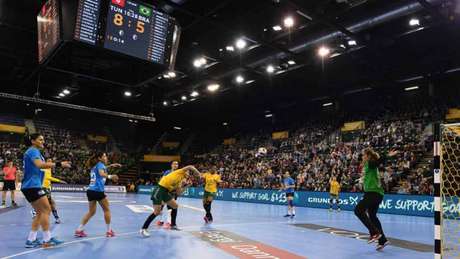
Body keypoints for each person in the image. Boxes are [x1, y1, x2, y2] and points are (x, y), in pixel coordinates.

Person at [21, 133, 71, 248]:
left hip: (31, 185)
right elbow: (39, 165)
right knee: (46, 209)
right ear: (33, 141)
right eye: (40, 139)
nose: (43, 141)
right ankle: (47, 239)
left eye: (43, 139)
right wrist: (59, 164)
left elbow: (42, 165)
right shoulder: (33, 151)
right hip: (32, 185)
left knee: (40, 213)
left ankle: (31, 240)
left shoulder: (35, 151)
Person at [354, 148, 397, 251]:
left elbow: (377, 162)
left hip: (373, 193)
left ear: (368, 156)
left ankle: (374, 233)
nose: (362, 157)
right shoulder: (368, 166)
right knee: (372, 216)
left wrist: (387, 155)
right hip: (377, 194)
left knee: (358, 210)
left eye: (364, 155)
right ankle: (383, 240)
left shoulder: (370, 163)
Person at [140, 165, 201, 237]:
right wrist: (198, 173)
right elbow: (190, 167)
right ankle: (143, 228)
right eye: (188, 172)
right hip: (159, 189)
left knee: (175, 206)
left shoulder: (180, 181)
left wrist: (186, 186)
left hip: (165, 192)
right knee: (157, 212)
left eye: (189, 173)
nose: (188, 173)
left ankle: (173, 225)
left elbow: (178, 193)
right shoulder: (179, 172)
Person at [74, 152, 121, 238]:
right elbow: (101, 173)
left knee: (91, 212)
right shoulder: (100, 165)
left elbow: (102, 169)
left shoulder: (95, 166)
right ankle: (109, 231)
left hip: (90, 191)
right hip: (98, 191)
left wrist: (111, 165)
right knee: (107, 210)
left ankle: (79, 230)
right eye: (104, 156)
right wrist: (111, 176)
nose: (106, 157)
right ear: (100, 158)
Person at [31, 158, 67, 223]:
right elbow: (48, 178)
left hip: (45, 188)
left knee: (48, 203)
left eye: (51, 161)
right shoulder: (45, 169)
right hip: (44, 188)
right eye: (49, 161)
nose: (50, 162)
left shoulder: (48, 169)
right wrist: (59, 181)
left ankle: (34, 211)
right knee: (51, 203)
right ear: (46, 162)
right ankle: (56, 218)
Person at [156, 161, 180, 229]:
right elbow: (162, 180)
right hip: (165, 191)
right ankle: (161, 221)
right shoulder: (167, 172)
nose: (175, 165)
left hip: (173, 192)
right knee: (161, 206)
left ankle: (169, 223)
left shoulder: (179, 173)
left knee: (171, 208)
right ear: (171, 165)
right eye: (174, 164)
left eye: (177, 164)